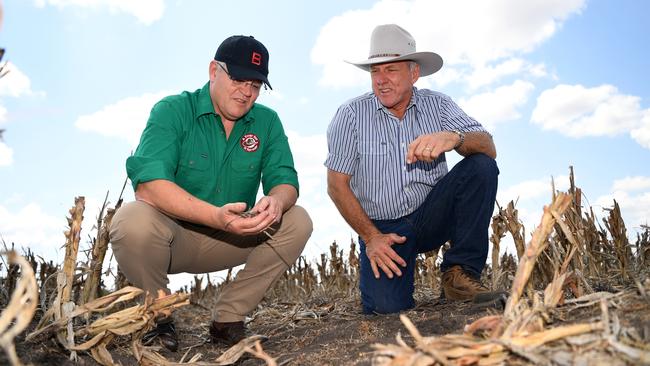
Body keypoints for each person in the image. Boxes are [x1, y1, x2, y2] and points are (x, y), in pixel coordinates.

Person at [109, 35, 313, 351]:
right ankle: (157, 319)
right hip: (173, 238)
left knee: (297, 219)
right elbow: (148, 186)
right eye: (238, 79)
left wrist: (277, 200)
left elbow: (285, 180)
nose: (247, 92)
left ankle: (228, 321)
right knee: (131, 219)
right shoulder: (173, 110)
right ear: (213, 71)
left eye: (256, 85)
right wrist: (216, 216)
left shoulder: (268, 122)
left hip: (232, 238)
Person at [325, 24, 500, 315]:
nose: (381, 80)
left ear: (413, 73)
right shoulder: (350, 115)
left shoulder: (439, 105)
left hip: (432, 213)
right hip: (384, 229)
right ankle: (391, 288)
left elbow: (488, 147)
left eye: (390, 70)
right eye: (375, 71)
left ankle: (459, 274)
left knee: (480, 166)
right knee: (386, 309)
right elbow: (336, 186)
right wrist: (371, 237)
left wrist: (455, 138)